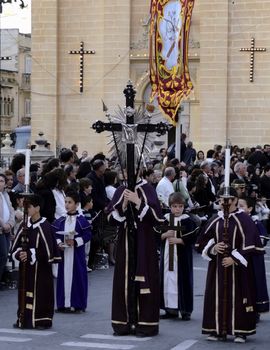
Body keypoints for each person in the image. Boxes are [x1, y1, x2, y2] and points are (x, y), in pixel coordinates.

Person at [196, 187, 264, 343]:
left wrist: (234, 258)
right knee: (216, 294)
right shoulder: (215, 219)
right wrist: (213, 248)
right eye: (221, 200)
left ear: (234, 200)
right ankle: (217, 329)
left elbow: (251, 242)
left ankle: (240, 331)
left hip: (239, 268)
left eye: (227, 200)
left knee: (240, 295)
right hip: (218, 267)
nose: (223, 203)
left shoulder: (244, 219)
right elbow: (202, 241)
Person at [106, 176, 164, 337]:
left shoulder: (148, 188)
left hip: (144, 241)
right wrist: (122, 206)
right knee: (124, 280)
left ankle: (145, 324)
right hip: (125, 241)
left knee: (144, 278)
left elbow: (157, 217)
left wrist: (138, 202)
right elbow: (110, 218)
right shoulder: (120, 190)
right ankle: (123, 323)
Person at [11, 194, 61, 329]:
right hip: (26, 268)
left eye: (29, 207)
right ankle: (23, 317)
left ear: (37, 208)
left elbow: (48, 251)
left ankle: (41, 319)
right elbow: (15, 246)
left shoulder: (45, 226)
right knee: (24, 291)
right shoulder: (24, 225)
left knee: (41, 293)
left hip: (41, 269)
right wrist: (19, 254)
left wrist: (31, 254)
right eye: (25, 207)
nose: (26, 209)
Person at [160, 193, 198, 321]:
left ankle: (185, 310)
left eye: (180, 206)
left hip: (181, 258)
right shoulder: (165, 219)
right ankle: (170, 309)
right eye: (175, 206)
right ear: (170, 207)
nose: (177, 209)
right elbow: (156, 233)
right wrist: (164, 235)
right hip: (167, 257)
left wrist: (180, 240)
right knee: (167, 280)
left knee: (183, 280)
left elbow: (193, 236)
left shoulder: (188, 220)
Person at [53, 191, 91, 313]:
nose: (67, 205)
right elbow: (54, 234)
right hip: (64, 254)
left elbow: (88, 235)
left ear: (77, 204)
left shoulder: (82, 220)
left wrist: (76, 241)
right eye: (65, 202)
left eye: (70, 202)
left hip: (77, 254)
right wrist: (59, 243)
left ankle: (77, 303)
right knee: (62, 277)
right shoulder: (61, 220)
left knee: (78, 277)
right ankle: (62, 304)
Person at [237, 196, 269, 321]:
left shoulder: (256, 222)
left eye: (242, 206)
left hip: (254, 259)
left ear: (249, 209)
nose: (239, 209)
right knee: (241, 284)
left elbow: (263, 239)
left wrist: (251, 242)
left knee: (253, 283)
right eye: (237, 206)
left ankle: (255, 310)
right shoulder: (235, 221)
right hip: (240, 257)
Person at [0, 173, 15, 289]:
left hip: (6, 230)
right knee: (3, 254)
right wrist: (3, 224)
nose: (0, 183)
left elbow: (11, 211)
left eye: (2, 181)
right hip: (1, 229)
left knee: (5, 255)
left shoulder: (5, 195)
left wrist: (9, 224)